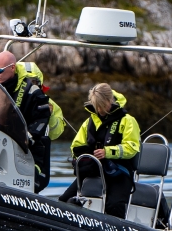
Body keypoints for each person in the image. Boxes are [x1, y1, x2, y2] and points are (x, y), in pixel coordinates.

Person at [58, 82, 141, 219]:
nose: (100, 110)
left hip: (119, 171)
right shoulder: (89, 122)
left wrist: (107, 152)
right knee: (65, 200)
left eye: (102, 106)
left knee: (114, 206)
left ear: (110, 100)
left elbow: (132, 147)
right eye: (96, 107)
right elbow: (76, 145)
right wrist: (81, 156)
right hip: (93, 169)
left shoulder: (128, 121)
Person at [0, 50, 65, 192]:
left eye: (35, 81)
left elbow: (54, 132)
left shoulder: (44, 101)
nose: (32, 84)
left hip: (28, 150)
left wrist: (50, 115)